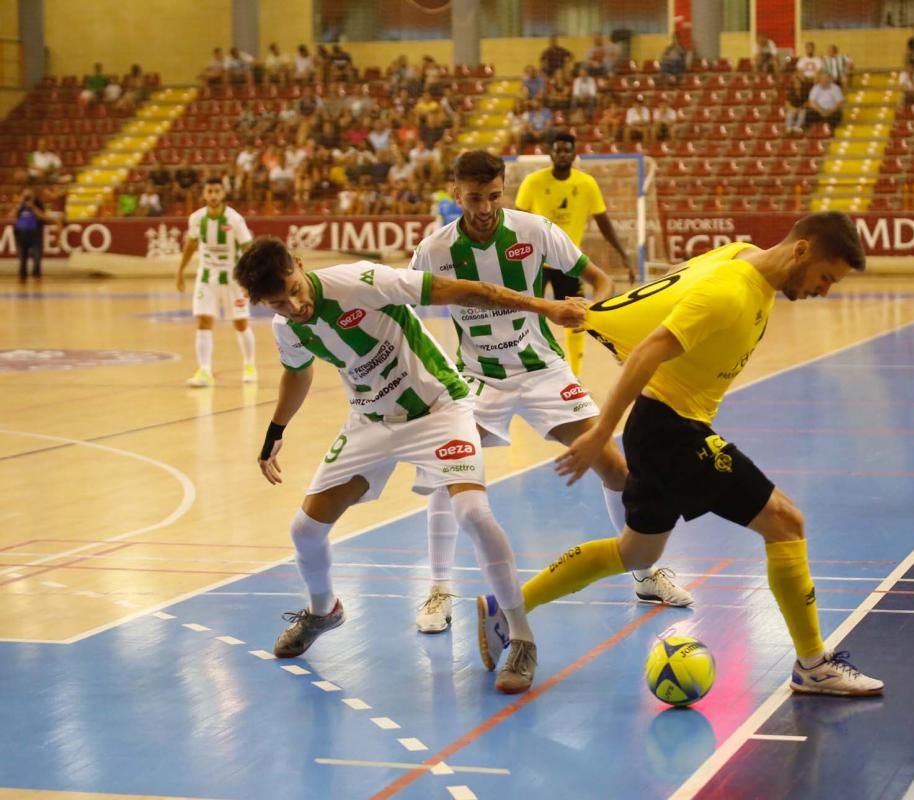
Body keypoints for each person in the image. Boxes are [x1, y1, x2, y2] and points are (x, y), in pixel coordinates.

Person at [473, 212, 885, 698]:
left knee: (636, 551)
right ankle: (813, 664)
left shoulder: (740, 254)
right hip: (673, 431)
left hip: (660, 427)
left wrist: (606, 314)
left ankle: (507, 606)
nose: (824, 290)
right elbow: (649, 351)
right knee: (785, 522)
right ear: (800, 250)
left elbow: (668, 290)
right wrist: (601, 431)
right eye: (825, 277)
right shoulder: (730, 290)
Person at [234, 237, 587, 694]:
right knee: (304, 530)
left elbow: (466, 290)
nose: (294, 305)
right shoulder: (287, 327)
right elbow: (298, 372)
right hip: (371, 422)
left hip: (441, 410)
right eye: (278, 304)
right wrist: (275, 430)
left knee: (474, 514)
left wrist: (546, 307)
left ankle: (520, 635)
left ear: (300, 265)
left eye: (294, 289)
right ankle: (324, 609)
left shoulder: (363, 281)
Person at [408, 149, 693, 635]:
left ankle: (644, 571)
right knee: (443, 471)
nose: (483, 208)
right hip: (478, 378)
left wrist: (597, 310)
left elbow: (597, 278)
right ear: (455, 193)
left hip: (543, 371)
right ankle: (439, 587)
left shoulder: (533, 231)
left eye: (493, 196)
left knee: (616, 469)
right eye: (473, 198)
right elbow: (406, 314)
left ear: (503, 188)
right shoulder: (433, 251)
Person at [514, 132, 634, 375]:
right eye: (557, 150)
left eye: (567, 150)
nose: (562, 154)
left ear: (574, 153)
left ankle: (575, 375)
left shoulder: (587, 184)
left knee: (577, 316)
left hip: (569, 263)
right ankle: (527, 369)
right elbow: (515, 222)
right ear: (550, 153)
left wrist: (622, 254)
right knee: (526, 315)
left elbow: (603, 222)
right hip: (534, 262)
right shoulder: (533, 182)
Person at [175, 177, 258, 388]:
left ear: (223, 194)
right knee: (203, 321)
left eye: (217, 191)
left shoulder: (235, 219)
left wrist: (250, 279)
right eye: (209, 191)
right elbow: (191, 244)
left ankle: (249, 365)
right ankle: (204, 370)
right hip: (206, 277)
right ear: (204, 194)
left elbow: (248, 249)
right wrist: (181, 271)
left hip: (233, 278)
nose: (213, 195)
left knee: (240, 323)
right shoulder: (196, 218)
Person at [14, 187, 50, 282]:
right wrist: (21, 203)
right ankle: (22, 276)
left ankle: (36, 275)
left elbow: (44, 217)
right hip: (22, 234)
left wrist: (33, 208)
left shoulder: (38, 204)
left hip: (35, 234)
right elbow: (13, 215)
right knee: (22, 257)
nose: (27, 197)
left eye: (29, 195)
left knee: (37, 256)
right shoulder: (21, 205)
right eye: (25, 195)